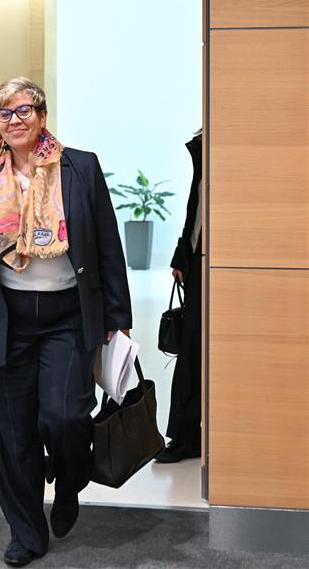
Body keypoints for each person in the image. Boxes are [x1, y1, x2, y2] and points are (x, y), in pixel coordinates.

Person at [0, 77, 132, 566]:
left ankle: (70, 479)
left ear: (42, 115)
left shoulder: (80, 168)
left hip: (67, 317)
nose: (14, 121)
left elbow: (107, 245)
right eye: (5, 113)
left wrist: (118, 316)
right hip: (8, 321)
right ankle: (26, 532)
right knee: (14, 434)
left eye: (24, 110)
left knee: (65, 417)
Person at [156, 131, 203, 463]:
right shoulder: (204, 148)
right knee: (190, 350)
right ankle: (186, 436)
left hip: (226, 263)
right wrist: (182, 253)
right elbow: (196, 205)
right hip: (200, 262)